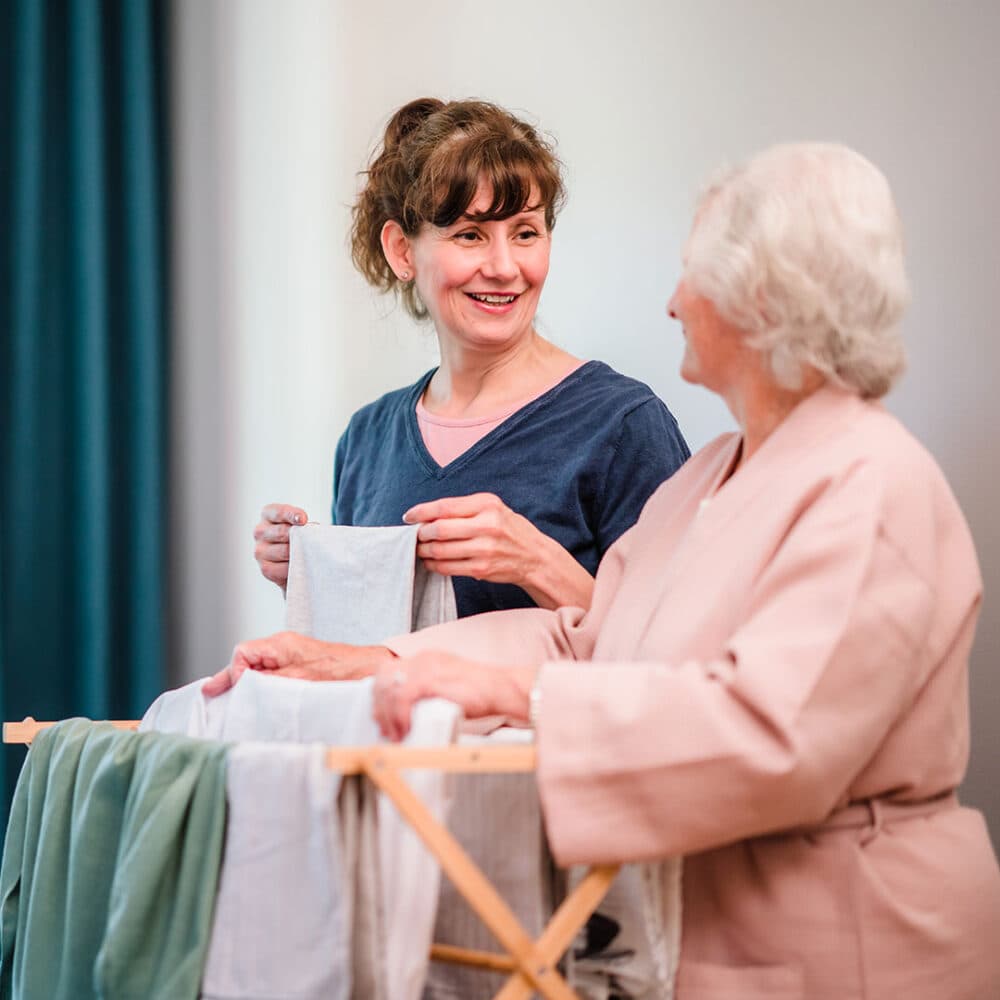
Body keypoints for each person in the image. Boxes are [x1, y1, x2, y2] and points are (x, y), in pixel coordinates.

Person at [209, 142, 1000, 997]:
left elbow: (772, 740)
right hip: (706, 934)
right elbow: (588, 635)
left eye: (691, 274)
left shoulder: (874, 484)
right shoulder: (720, 470)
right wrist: (380, 665)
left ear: (763, 299)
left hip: (852, 944)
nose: (670, 303)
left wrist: (516, 696)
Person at [251, 97, 688, 618]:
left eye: (526, 233)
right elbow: (373, 652)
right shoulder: (366, 441)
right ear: (402, 252)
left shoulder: (622, 425)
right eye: (470, 235)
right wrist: (312, 575)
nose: (505, 267)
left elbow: (677, 653)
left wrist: (536, 564)